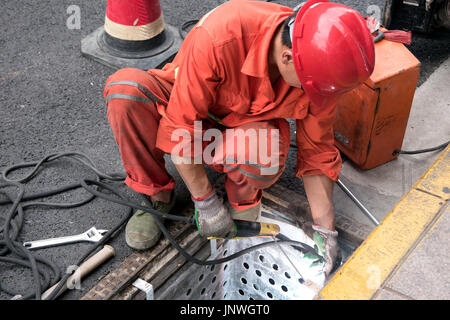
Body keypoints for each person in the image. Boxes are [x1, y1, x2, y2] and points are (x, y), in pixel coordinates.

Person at [104, 0, 375, 277]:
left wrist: (325, 229)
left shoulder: (318, 69)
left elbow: (317, 152)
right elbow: (181, 130)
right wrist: (205, 202)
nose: (315, 96)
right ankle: (158, 196)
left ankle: (243, 205)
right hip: (187, 107)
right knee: (125, 92)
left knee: (261, 150)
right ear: (287, 58)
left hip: (244, 128)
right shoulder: (220, 36)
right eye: (310, 88)